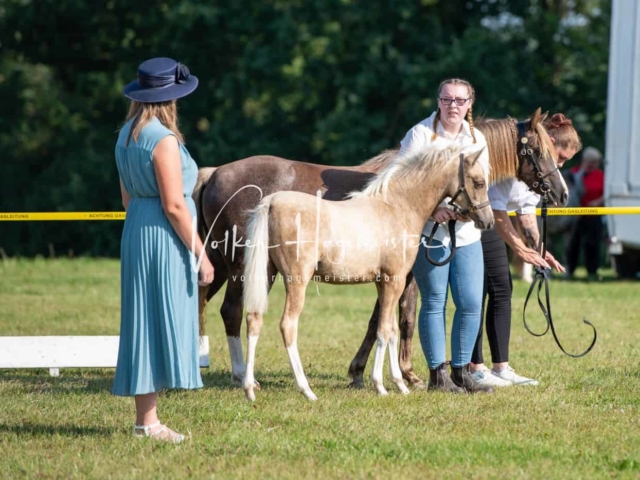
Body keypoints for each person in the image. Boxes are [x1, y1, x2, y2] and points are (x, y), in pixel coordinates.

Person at [112, 57, 215, 443]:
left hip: (138, 230)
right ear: (169, 100)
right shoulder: (164, 140)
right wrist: (201, 254)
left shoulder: (125, 136)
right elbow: (174, 204)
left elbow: (127, 199)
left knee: (143, 321)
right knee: (160, 318)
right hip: (164, 237)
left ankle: (146, 420)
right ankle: (148, 424)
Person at [470, 113, 582, 387]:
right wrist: (520, 249)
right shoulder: (517, 159)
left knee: (502, 291)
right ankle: (475, 367)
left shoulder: (539, 168)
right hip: (480, 225)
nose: (561, 164)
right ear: (549, 142)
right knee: (479, 294)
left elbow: (526, 212)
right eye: (561, 157)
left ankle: (500, 367)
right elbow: (497, 213)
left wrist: (541, 250)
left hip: (494, 226)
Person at [406, 78, 493, 393]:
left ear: (470, 103)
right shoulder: (419, 135)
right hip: (430, 233)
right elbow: (405, 182)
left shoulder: (477, 138)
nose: (452, 105)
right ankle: (437, 377)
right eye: (446, 99)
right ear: (438, 101)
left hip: (467, 233)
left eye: (459, 100)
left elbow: (481, 182)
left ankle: (461, 372)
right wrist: (432, 210)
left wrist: (468, 212)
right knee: (434, 301)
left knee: (470, 302)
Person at [566, 147, 605, 280]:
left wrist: (597, 202)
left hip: (594, 216)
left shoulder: (601, 175)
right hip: (574, 217)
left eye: (596, 162)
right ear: (584, 160)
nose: (593, 164)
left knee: (592, 245)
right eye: (591, 161)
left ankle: (592, 272)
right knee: (572, 245)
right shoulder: (572, 173)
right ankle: (569, 271)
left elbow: (606, 194)